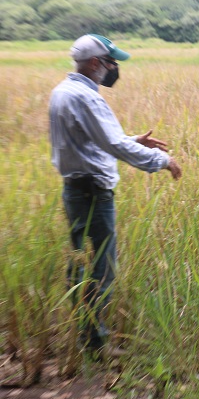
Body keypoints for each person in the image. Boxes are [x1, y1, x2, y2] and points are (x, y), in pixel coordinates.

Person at [50, 34, 182, 357]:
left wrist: (135, 138)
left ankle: (83, 333)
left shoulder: (62, 91)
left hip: (74, 190)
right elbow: (113, 145)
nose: (114, 69)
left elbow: (90, 139)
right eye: (111, 62)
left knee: (80, 263)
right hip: (94, 191)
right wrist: (162, 161)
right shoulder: (87, 97)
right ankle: (95, 343)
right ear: (95, 63)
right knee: (102, 266)